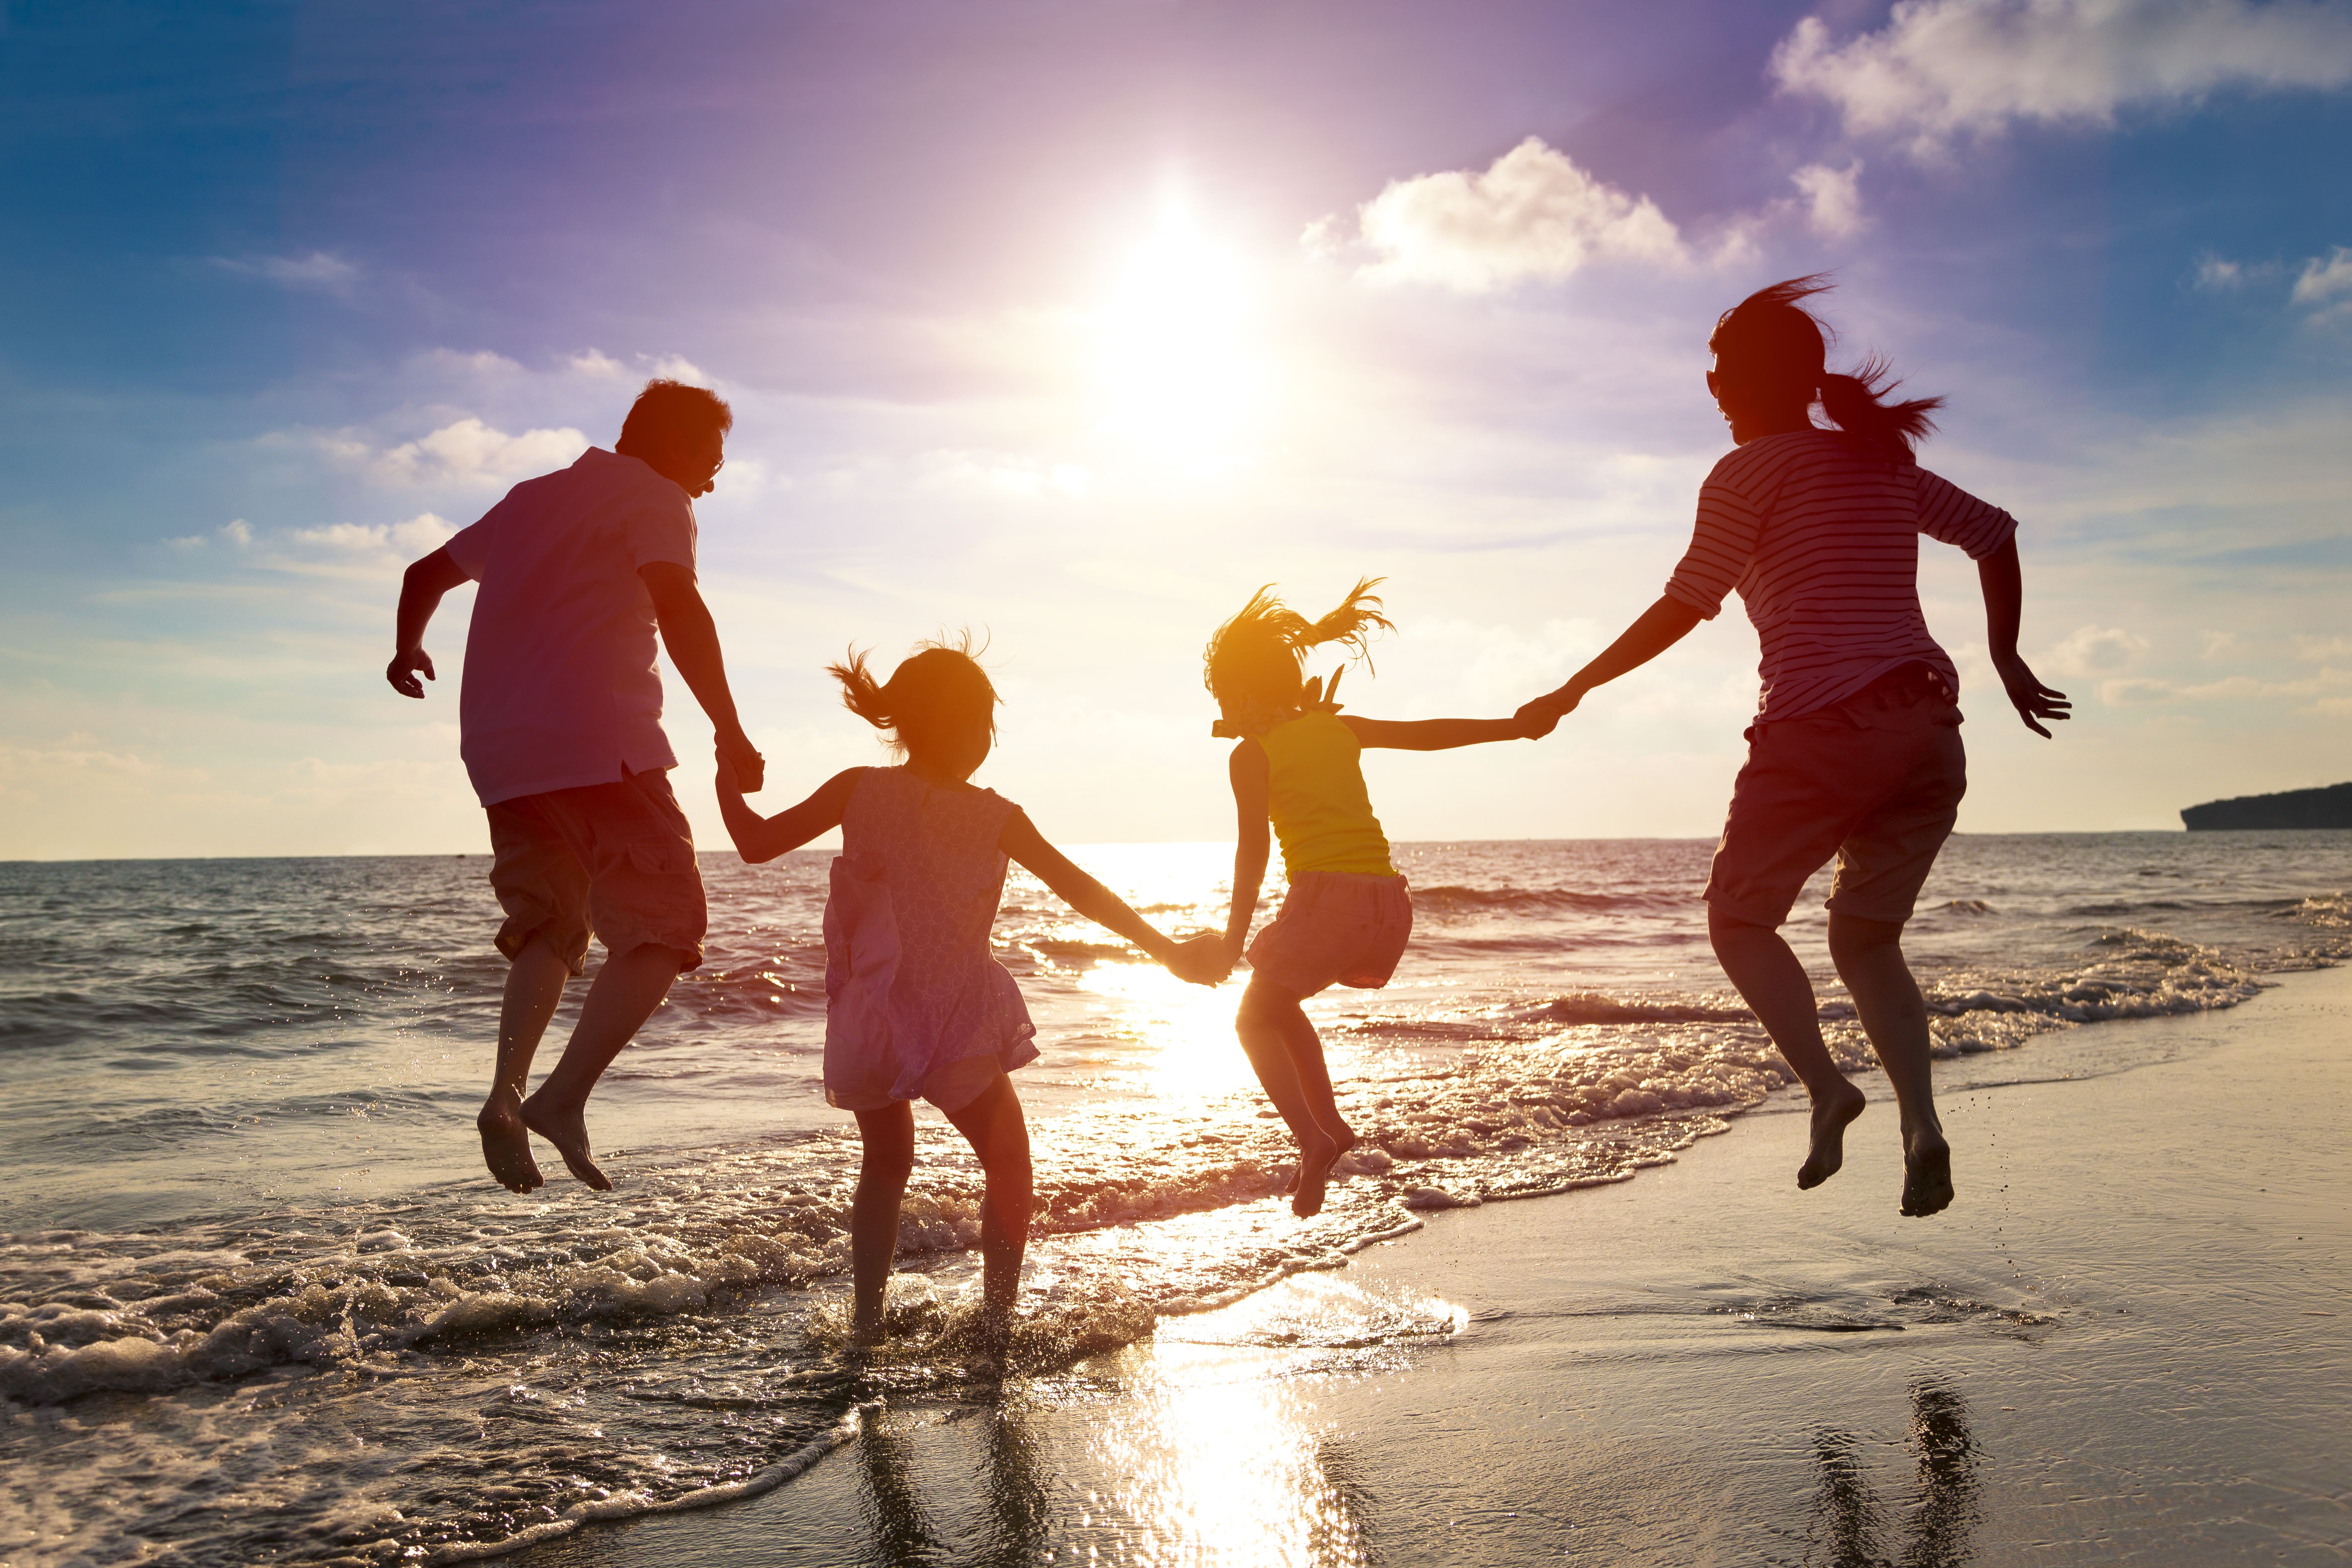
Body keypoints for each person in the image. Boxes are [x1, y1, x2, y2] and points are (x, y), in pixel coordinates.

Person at [1516, 276, 2070, 1218]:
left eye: (1723, 370)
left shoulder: (1747, 473)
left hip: (1824, 727)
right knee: (1866, 937)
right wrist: (2007, 659)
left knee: (1738, 919)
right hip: (1931, 733)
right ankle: (1921, 1127)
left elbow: (1687, 603)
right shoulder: (1876, 462)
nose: (1712, 384)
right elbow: (1995, 534)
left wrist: (1575, 685)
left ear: (1752, 383)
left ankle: (1827, 1087)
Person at [713, 636, 1223, 1348]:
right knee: (1009, 1158)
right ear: (962, 728)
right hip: (949, 1017)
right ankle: (996, 1324)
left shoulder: (857, 787)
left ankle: (865, 1327)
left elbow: (756, 844)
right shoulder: (995, 814)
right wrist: (1166, 950)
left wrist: (722, 780)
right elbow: (1078, 890)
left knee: (886, 1163)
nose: (987, 739)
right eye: (984, 723)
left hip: (869, 1019)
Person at [386, 378, 767, 1196]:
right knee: (668, 928)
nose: (713, 476)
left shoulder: (530, 500)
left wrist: (406, 650)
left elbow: (425, 574)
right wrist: (729, 728)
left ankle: (505, 1095)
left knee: (551, 928)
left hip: (503, 757)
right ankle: (562, 1100)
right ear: (670, 444)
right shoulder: (655, 495)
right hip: (604, 746)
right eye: (710, 456)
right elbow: (679, 603)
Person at [1203, 580, 1542, 1219]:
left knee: (1252, 1020)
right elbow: (1429, 735)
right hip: (1388, 906)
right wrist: (1514, 728)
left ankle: (1314, 1135)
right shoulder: (1339, 728)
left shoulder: (1252, 756)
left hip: (1326, 901)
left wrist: (1228, 941)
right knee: (1278, 1003)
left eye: (1224, 696)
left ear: (1246, 695)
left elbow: (1252, 855)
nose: (1222, 711)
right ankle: (1330, 1127)